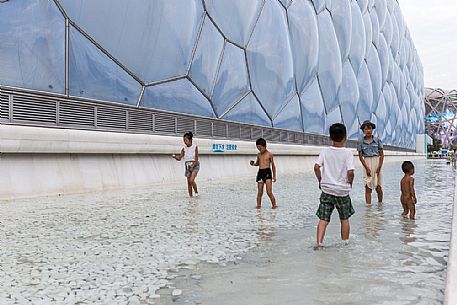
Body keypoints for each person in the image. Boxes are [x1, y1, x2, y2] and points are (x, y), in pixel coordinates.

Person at [314, 123, 355, 248]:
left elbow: (316, 167)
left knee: (323, 219)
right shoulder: (348, 153)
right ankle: (345, 243)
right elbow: (351, 172)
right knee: (344, 218)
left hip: (327, 190)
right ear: (345, 136)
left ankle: (319, 243)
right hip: (342, 191)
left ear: (330, 137)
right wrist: (350, 182)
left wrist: (320, 180)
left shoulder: (325, 151)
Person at [357, 120, 384, 204]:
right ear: (363, 131)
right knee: (367, 187)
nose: (368, 130)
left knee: (378, 187)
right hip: (367, 162)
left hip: (377, 162)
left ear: (372, 129)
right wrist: (367, 168)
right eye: (366, 129)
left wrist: (379, 167)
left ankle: (380, 206)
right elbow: (360, 157)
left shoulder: (378, 140)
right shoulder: (360, 142)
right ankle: (368, 210)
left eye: (370, 128)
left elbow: (382, 154)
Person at [249, 138, 277, 209]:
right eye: (258, 148)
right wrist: (253, 164)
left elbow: (273, 166)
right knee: (259, 192)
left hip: (267, 172)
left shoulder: (269, 154)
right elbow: (258, 163)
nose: (259, 150)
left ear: (265, 146)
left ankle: (274, 205)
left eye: (260, 148)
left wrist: (274, 176)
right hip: (260, 173)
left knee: (269, 192)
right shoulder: (259, 155)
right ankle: (258, 206)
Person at [172, 132, 200, 198]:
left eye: (186, 140)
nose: (184, 142)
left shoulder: (195, 147)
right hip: (187, 165)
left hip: (195, 165)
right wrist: (175, 157)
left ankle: (196, 192)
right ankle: (190, 197)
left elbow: (196, 158)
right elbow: (179, 158)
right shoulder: (183, 149)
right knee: (188, 182)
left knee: (191, 180)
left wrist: (192, 166)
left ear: (190, 140)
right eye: (184, 140)